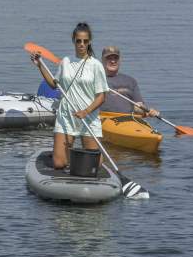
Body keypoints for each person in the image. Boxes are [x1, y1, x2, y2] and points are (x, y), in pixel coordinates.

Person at [32, 22, 109, 169]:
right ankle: (62, 155)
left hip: (89, 117)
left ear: (89, 42)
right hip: (66, 116)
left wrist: (86, 111)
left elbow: (101, 97)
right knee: (59, 164)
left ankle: (77, 159)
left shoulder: (96, 65)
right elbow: (54, 84)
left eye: (85, 41)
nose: (81, 44)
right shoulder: (65, 62)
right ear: (74, 40)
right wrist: (40, 66)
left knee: (96, 165)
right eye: (78, 41)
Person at [100, 46, 159, 116]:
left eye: (116, 58)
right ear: (102, 60)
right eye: (109, 58)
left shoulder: (131, 81)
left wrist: (147, 111)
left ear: (120, 60)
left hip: (128, 120)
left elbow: (138, 106)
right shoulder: (96, 80)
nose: (113, 61)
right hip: (104, 118)